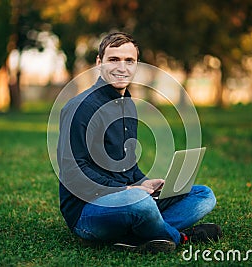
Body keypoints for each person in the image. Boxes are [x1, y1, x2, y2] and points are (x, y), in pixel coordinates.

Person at [57, 32, 221, 253]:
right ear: (99, 63)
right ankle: (180, 237)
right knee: (138, 202)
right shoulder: (80, 107)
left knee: (204, 195)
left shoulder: (128, 104)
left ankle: (138, 234)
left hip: (130, 198)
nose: (122, 67)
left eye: (129, 61)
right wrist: (129, 189)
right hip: (89, 211)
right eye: (113, 60)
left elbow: (128, 164)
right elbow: (72, 172)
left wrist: (146, 183)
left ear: (136, 66)